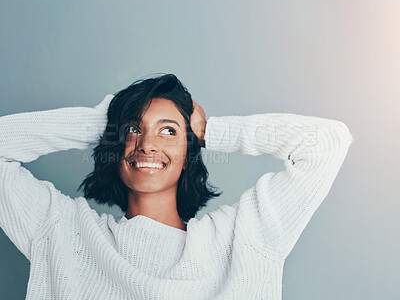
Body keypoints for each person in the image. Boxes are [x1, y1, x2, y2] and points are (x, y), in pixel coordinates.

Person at [0, 74, 354, 299]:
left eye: (168, 130)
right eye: (134, 130)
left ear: (189, 153)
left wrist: (211, 130)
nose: (148, 144)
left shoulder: (244, 238)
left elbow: (327, 142)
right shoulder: (64, 233)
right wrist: (107, 121)